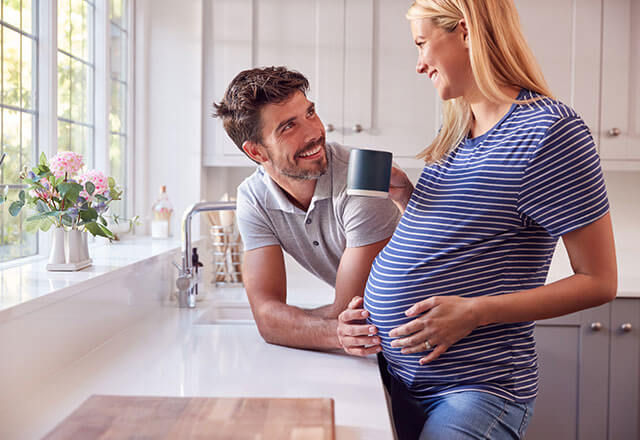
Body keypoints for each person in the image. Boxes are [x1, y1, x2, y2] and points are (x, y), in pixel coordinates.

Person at [336, 0, 618, 439]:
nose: (419, 65)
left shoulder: (550, 130)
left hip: (476, 388)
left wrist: (474, 312)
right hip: (401, 379)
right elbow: (469, 238)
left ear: (465, 31)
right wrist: (409, 199)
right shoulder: (458, 132)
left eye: (421, 44)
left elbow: (599, 281)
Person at [212, 66, 400, 350]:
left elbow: (351, 312)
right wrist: (281, 321)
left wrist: (289, 322)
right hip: (389, 339)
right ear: (256, 151)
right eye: (288, 126)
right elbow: (267, 318)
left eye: (310, 113)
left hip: (439, 337)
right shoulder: (253, 198)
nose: (314, 132)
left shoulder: (362, 179)